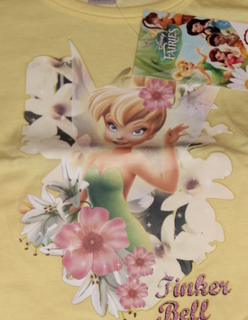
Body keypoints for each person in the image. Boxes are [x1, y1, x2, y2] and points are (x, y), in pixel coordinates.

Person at [81, 78, 189, 251]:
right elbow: (80, 197)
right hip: (94, 234)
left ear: (150, 134)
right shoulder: (95, 156)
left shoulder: (134, 159)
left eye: (137, 130)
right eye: (112, 126)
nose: (120, 135)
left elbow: (168, 185)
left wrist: (169, 145)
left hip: (126, 234)